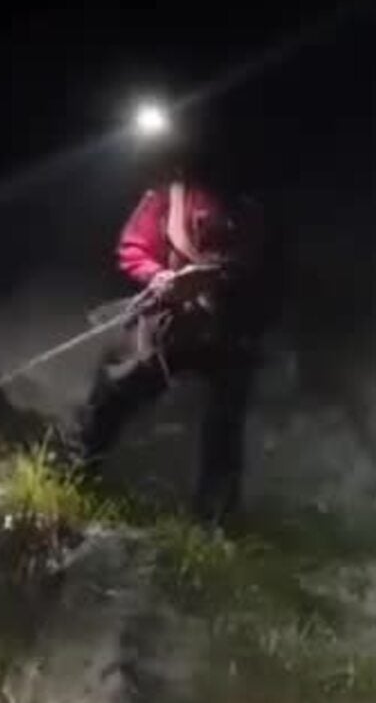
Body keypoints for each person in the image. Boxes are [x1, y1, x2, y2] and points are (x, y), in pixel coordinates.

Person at [70, 143, 277, 526]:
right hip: (172, 324)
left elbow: (262, 265)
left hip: (229, 329)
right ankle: (76, 472)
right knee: (115, 390)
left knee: (225, 424)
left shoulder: (253, 207)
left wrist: (219, 275)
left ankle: (216, 518)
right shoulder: (169, 198)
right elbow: (133, 248)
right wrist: (159, 276)